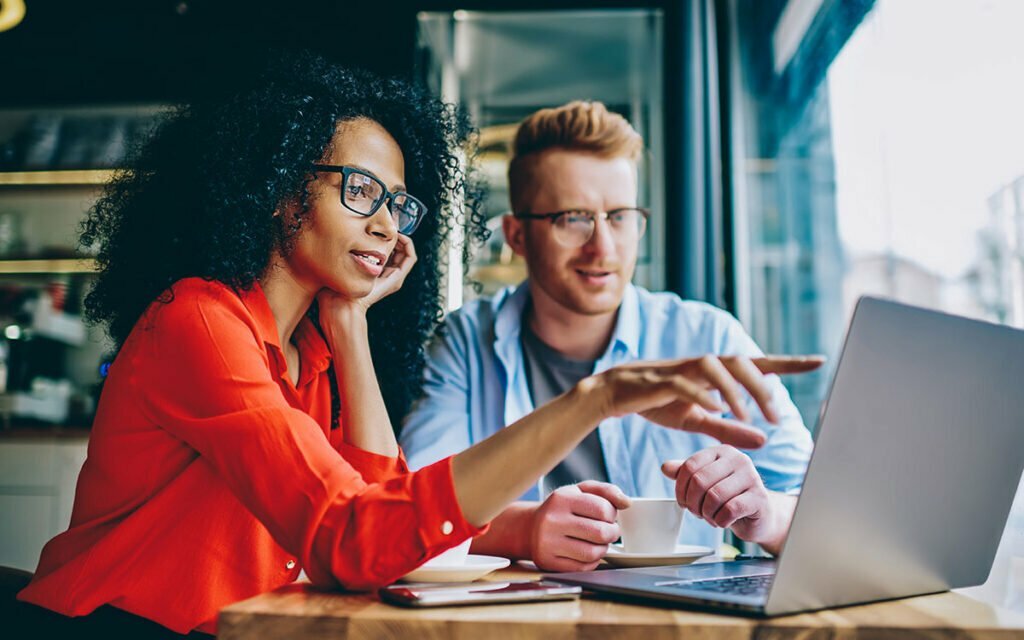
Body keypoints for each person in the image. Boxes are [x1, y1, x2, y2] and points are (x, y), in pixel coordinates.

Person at [15, 55, 816, 637]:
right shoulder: (199, 323)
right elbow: (355, 539)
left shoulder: (314, 352)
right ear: (278, 191)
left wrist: (352, 325)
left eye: (398, 202)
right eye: (359, 191)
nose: (387, 224)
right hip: (115, 625)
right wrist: (593, 400)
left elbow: (383, 525)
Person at [400, 101, 819, 572]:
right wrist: (525, 529)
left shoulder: (707, 336)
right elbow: (411, 508)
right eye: (573, 218)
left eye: (620, 216)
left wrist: (764, 514)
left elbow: (823, 510)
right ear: (517, 236)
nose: (603, 247)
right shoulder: (464, 341)